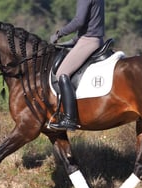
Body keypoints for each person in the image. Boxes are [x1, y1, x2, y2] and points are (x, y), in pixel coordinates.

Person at [49, 0, 105, 131]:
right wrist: (74, 40)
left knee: (62, 73)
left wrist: (59, 33)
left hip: (88, 40)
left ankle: (69, 119)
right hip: (91, 38)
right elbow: (91, 21)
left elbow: (79, 21)